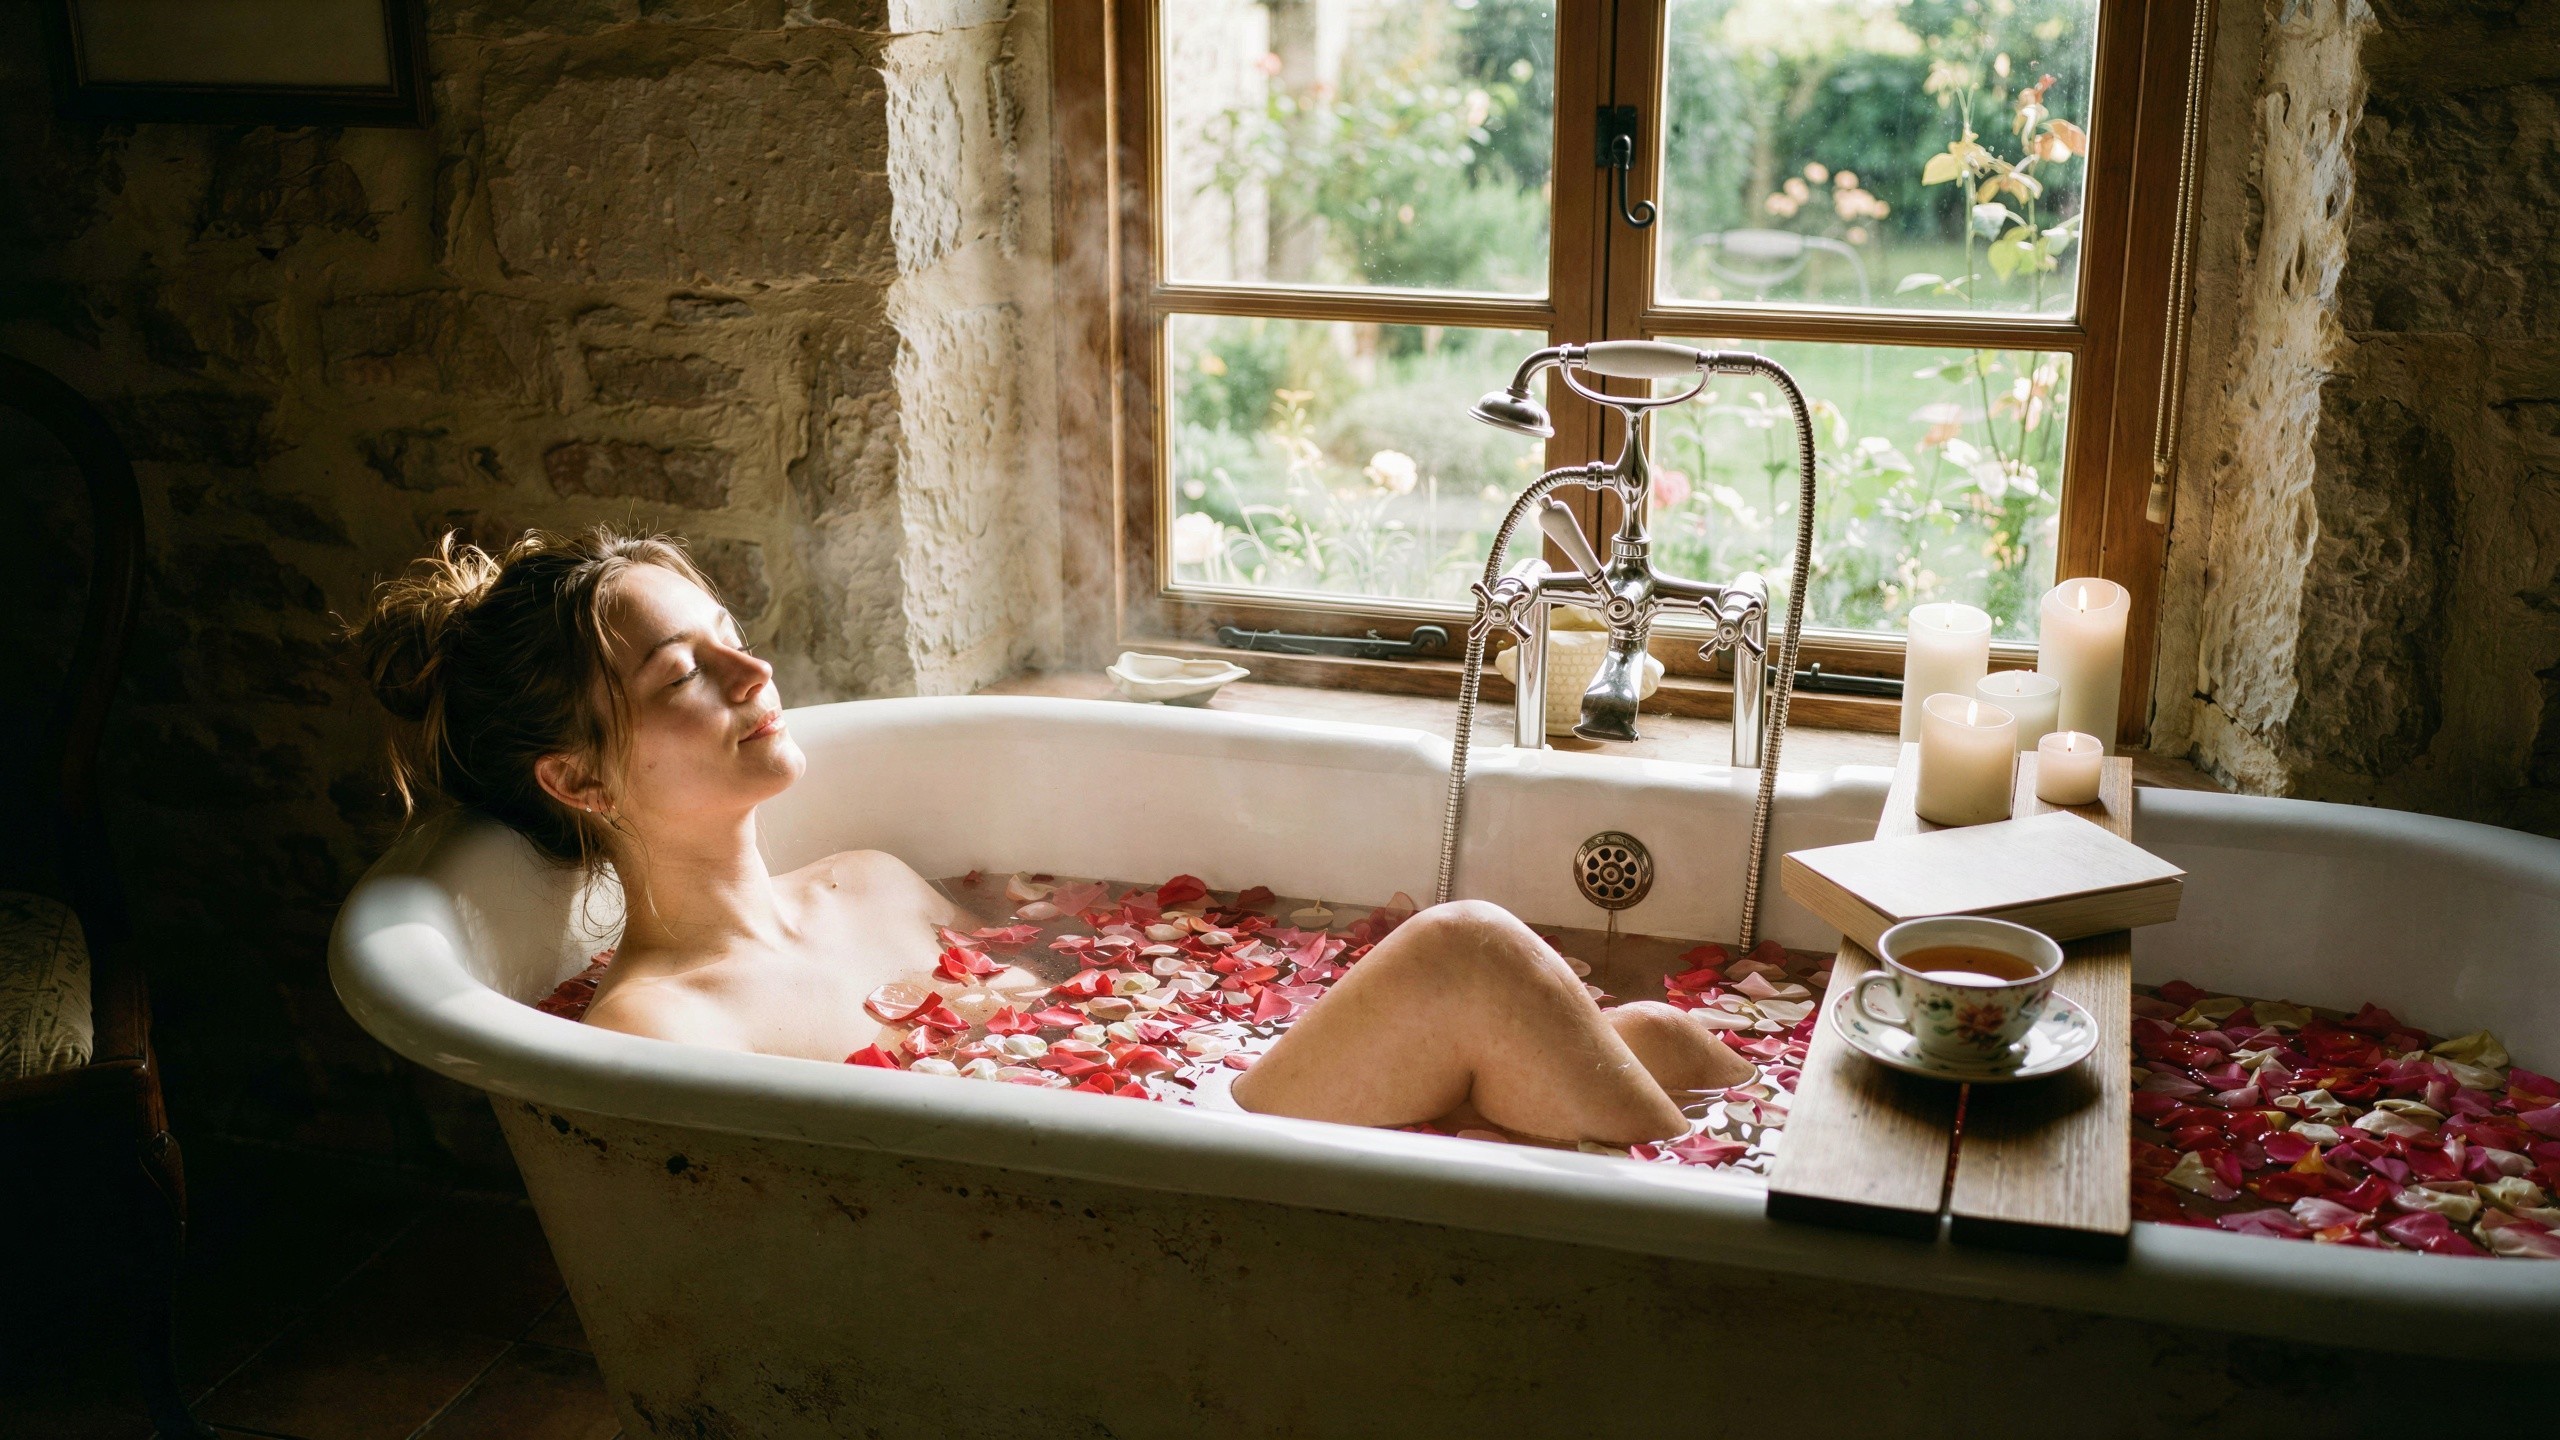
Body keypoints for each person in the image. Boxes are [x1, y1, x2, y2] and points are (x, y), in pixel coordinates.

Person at [352, 529, 1753, 1146]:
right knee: (1464, 960)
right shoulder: (658, 1028)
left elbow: (1082, 1032)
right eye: (682, 678)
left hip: (1181, 1148)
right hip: (1153, 1221)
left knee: (1679, 1046)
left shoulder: (880, 886)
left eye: (731, 640)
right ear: (579, 782)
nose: (752, 675)